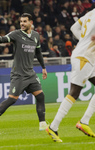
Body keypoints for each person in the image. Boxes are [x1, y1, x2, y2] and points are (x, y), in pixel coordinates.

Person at [0, 13, 48, 134]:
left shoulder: (35, 35)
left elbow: (38, 52)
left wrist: (43, 68)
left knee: (40, 96)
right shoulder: (16, 34)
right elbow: (3, 39)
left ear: (31, 22)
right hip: (18, 74)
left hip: (30, 73)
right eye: (21, 21)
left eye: (25, 21)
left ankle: (42, 124)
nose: (22, 24)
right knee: (12, 99)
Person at [46, 8, 95, 142]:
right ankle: (53, 126)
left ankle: (84, 121)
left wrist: (84, 40)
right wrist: (87, 42)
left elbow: (74, 28)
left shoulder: (90, 14)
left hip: (86, 56)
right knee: (74, 92)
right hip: (84, 58)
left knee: (75, 91)